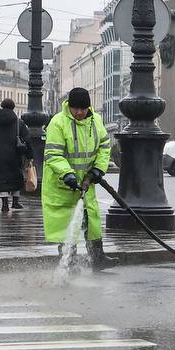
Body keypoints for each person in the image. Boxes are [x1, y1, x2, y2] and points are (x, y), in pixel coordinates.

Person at [42, 88, 116, 270]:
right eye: (76, 109)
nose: (80, 113)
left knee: (92, 221)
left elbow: (105, 147)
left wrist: (98, 169)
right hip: (62, 185)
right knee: (66, 225)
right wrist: (67, 174)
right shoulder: (58, 123)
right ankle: (70, 262)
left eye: (83, 109)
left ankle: (98, 258)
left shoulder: (96, 121)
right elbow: (53, 154)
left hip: (86, 182)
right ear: (70, 106)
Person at [0, 99, 30, 214]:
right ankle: (15, 202)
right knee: (15, 176)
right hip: (14, 155)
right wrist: (30, 154)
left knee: (1, 178)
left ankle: (5, 204)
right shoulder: (18, 122)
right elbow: (27, 139)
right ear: (13, 107)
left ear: (2, 106)